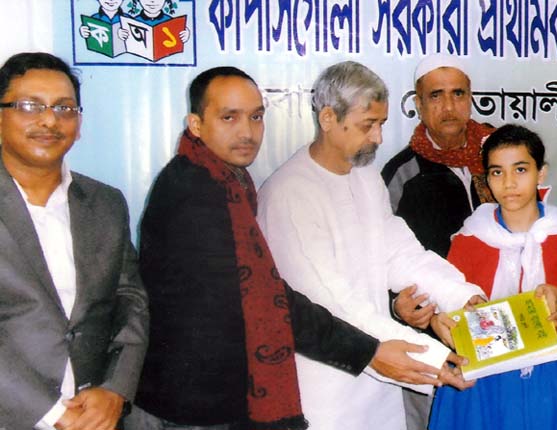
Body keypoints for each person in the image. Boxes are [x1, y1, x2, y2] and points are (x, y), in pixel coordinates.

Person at [127, 66, 454, 430]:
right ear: (196, 124)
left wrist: (457, 297)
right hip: (196, 406)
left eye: (256, 117)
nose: (247, 131)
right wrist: (400, 353)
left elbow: (398, 251)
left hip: (245, 389)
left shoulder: (226, 180)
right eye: (229, 117)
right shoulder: (200, 192)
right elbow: (277, 299)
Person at [257, 61, 485, 430]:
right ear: (328, 117)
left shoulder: (364, 176)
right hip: (326, 386)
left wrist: (461, 298)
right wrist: (430, 355)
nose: (378, 138)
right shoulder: (288, 193)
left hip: (380, 381)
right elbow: (331, 302)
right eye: (369, 125)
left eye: (381, 124)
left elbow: (399, 252)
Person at [0, 52, 149, 429]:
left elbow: (129, 299)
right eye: (30, 106)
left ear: (79, 123)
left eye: (65, 108)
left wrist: (115, 389)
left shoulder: (105, 202)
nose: (50, 120)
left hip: (95, 416)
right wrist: (52, 414)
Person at [427, 124, 557, 429]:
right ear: (486, 179)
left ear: (541, 173)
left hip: (542, 375)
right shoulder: (470, 237)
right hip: (479, 376)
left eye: (520, 169)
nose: (509, 183)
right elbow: (449, 307)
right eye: (497, 172)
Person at [380, 54, 495, 429]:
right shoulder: (400, 174)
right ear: (417, 104)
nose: (448, 106)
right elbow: (379, 258)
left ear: (471, 97)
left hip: (498, 327)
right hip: (432, 339)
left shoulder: (500, 159)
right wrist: (398, 307)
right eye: (436, 96)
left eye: (458, 93)